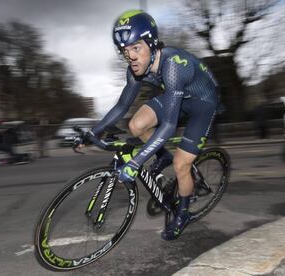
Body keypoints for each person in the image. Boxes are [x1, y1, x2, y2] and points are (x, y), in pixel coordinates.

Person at [77, 10, 219, 240]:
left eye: (136, 48)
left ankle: (182, 214)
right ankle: (162, 155)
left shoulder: (173, 64)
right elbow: (122, 106)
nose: (131, 56)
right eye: (125, 51)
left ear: (152, 45)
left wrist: (136, 162)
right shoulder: (135, 70)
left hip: (202, 103)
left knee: (181, 165)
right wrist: (92, 132)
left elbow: (169, 125)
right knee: (136, 125)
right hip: (178, 96)